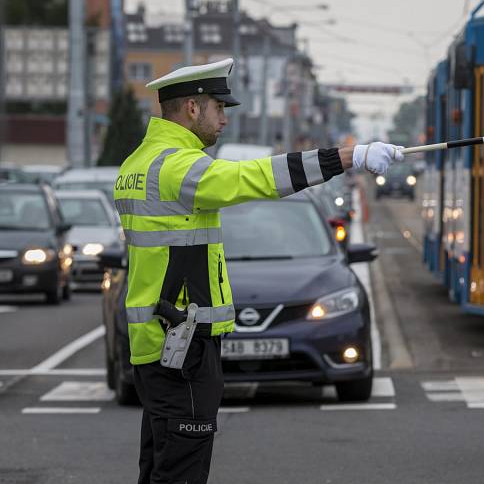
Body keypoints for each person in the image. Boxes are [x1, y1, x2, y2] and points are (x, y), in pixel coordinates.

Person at [113, 58, 403, 484]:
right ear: (192, 109)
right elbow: (255, 177)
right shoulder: (176, 167)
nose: (224, 121)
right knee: (181, 473)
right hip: (182, 346)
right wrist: (349, 156)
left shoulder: (137, 164)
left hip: (155, 343)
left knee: (160, 465)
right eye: (219, 108)